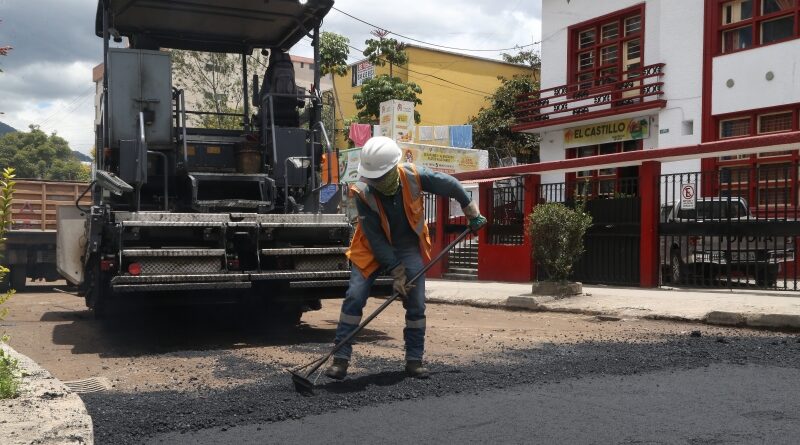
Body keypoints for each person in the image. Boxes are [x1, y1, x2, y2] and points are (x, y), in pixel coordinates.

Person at [325, 136, 487, 380]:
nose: (375, 181)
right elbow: (376, 239)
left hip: (406, 245)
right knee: (355, 297)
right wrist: (396, 271)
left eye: (380, 176)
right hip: (370, 247)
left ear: (392, 169)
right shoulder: (362, 192)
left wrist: (471, 211)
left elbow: (452, 185)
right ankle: (340, 359)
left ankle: (414, 360)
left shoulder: (413, 176)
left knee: (416, 302)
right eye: (373, 177)